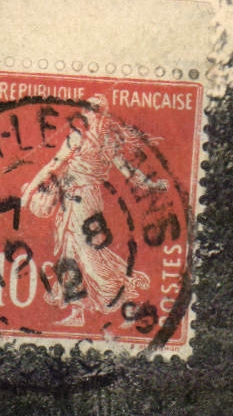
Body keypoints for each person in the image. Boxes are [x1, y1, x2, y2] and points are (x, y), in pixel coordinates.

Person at [19, 96, 168, 328]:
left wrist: (28, 192)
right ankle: (78, 312)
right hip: (79, 198)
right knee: (70, 253)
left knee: (88, 255)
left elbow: (53, 165)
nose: (91, 116)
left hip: (83, 201)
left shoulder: (90, 139)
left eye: (92, 112)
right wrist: (151, 184)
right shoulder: (99, 140)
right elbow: (127, 171)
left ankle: (125, 295)